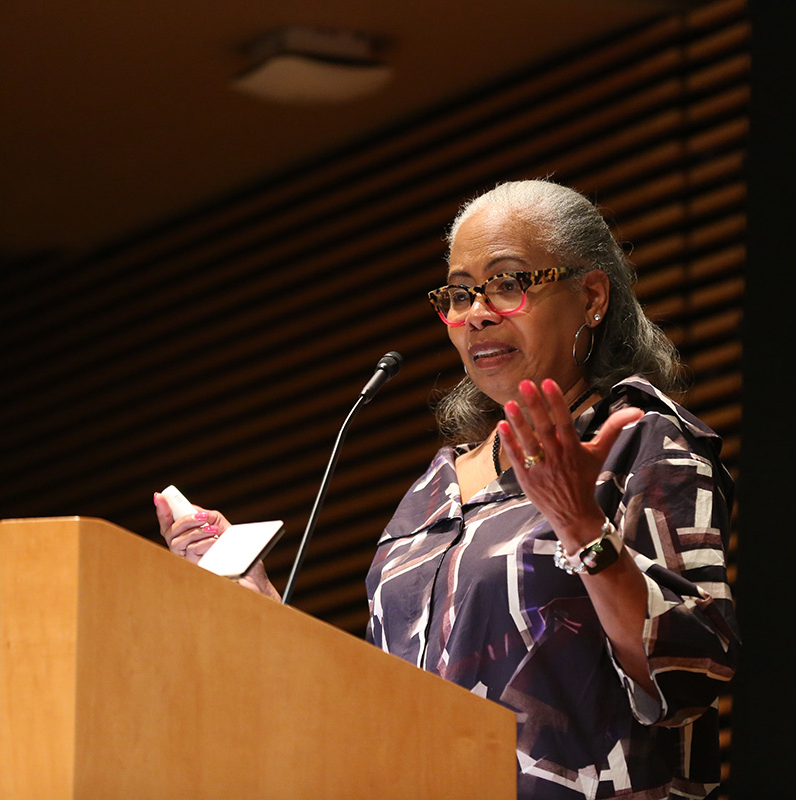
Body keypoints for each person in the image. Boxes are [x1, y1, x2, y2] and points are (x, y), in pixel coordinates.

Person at [156, 180, 739, 800]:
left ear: (592, 297)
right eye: (459, 294)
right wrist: (258, 606)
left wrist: (581, 526)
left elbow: (689, 669)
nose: (477, 314)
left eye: (509, 283)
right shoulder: (431, 493)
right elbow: (383, 712)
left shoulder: (640, 441)